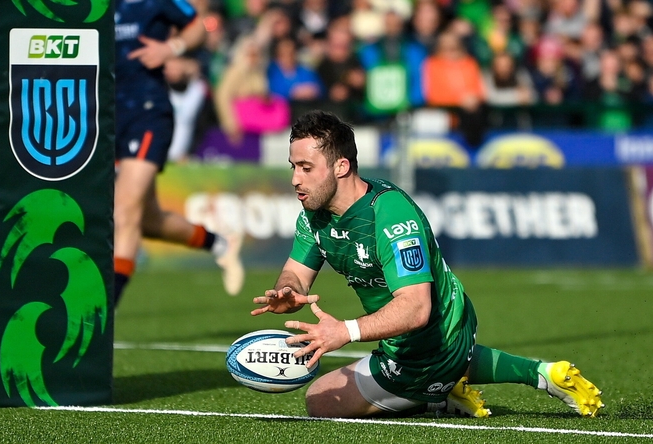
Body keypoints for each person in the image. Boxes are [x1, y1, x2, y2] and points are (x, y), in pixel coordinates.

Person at [250, 110, 604, 419]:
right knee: (355, 382)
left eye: (306, 168)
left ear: (341, 166)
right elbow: (296, 271)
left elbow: (416, 308)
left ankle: (434, 391)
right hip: (403, 340)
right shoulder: (315, 215)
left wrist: (345, 331)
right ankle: (541, 373)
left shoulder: (389, 215)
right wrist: (288, 290)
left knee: (320, 401)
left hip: (438, 333)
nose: (296, 179)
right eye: (293, 167)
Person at [113, 0, 244, 306]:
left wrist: (171, 48)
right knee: (147, 220)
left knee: (124, 211)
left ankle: (105, 313)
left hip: (147, 113)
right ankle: (219, 241)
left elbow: (198, 26)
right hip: (109, 117)